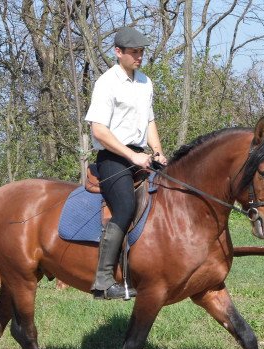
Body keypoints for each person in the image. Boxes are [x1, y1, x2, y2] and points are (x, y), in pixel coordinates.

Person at [85, 26, 167, 300]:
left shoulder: (146, 82)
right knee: (124, 207)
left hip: (141, 155)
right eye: (134, 52)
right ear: (118, 52)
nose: (139, 56)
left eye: (141, 52)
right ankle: (104, 282)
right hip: (113, 157)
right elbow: (99, 131)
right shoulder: (106, 83)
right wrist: (132, 156)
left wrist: (157, 151)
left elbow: (149, 121)